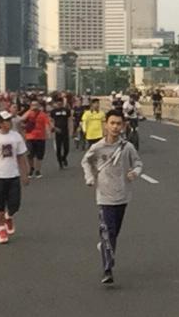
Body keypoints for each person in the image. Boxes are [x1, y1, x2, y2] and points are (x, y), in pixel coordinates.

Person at [81, 110, 143, 285]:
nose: (115, 127)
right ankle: (107, 268)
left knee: (114, 233)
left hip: (122, 195)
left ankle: (105, 248)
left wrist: (135, 172)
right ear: (106, 125)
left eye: (118, 124)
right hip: (104, 196)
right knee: (109, 231)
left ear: (123, 126)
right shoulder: (98, 147)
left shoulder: (127, 147)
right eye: (112, 123)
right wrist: (90, 177)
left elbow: (138, 163)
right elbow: (86, 161)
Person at [0, 111, 30, 245]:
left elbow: (20, 156)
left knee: (14, 204)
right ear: (0, 123)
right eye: (7, 121)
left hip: (13, 175)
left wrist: (25, 174)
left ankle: (9, 216)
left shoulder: (16, 137)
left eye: (10, 121)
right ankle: (1, 229)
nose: (9, 123)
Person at [21, 100, 50, 179]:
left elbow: (47, 123)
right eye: (33, 105)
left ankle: (38, 170)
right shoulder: (29, 113)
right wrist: (30, 110)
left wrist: (48, 133)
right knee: (29, 154)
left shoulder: (43, 114)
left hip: (40, 137)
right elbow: (22, 119)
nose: (34, 106)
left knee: (39, 155)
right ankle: (31, 168)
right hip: (30, 136)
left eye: (36, 105)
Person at [49, 97, 72, 168]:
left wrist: (71, 130)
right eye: (58, 102)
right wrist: (53, 128)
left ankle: (64, 157)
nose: (59, 103)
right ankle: (60, 163)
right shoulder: (53, 111)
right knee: (58, 148)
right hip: (57, 132)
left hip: (65, 131)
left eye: (60, 102)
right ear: (56, 103)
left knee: (66, 148)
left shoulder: (67, 110)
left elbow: (70, 120)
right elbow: (50, 120)